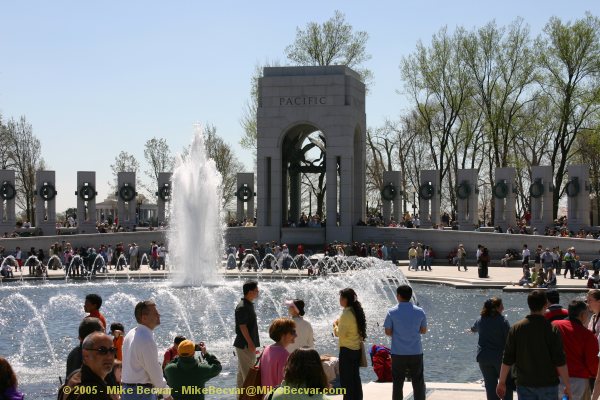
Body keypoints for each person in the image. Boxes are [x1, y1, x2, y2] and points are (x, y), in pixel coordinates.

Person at [496, 290, 571, 400]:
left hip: (524, 384)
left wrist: (501, 382)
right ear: (546, 305)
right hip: (548, 384)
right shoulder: (551, 329)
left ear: (529, 304)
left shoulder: (516, 328)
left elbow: (507, 358)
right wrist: (567, 385)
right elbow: (559, 360)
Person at [121, 300, 172, 400]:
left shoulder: (131, 333)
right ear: (144, 317)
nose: (159, 315)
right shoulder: (145, 339)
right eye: (155, 313)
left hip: (128, 390)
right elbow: (155, 373)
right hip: (141, 393)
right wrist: (167, 396)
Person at [384, 285, 427, 400]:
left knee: (398, 383)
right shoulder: (420, 311)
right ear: (410, 296)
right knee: (418, 382)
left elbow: (388, 332)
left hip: (398, 352)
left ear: (398, 296)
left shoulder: (391, 312)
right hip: (416, 351)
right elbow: (423, 330)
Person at [552, 300, 599, 399]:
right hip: (579, 381)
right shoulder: (588, 335)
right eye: (587, 314)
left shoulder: (554, 325)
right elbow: (593, 363)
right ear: (582, 315)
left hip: (555, 378)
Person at [469, 297, 513, 400]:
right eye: (501, 305)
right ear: (496, 308)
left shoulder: (480, 319)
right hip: (499, 359)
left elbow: (473, 328)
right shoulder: (503, 321)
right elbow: (509, 340)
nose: (503, 307)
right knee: (506, 384)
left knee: (490, 386)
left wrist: (472, 330)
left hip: (483, 357)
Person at [333, 288, 367, 400]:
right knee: (355, 378)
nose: (340, 300)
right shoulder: (355, 311)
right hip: (356, 349)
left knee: (346, 381)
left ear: (346, 299)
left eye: (341, 298)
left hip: (347, 351)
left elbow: (340, 333)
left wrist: (335, 326)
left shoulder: (346, 314)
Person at [67, 332, 116, 400]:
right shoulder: (95, 394)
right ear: (86, 355)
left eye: (112, 350)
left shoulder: (73, 377)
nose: (109, 356)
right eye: (102, 350)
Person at [234, 281, 260, 390]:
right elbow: (242, 326)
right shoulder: (243, 307)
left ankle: (240, 397)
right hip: (245, 345)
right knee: (249, 376)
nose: (258, 292)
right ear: (250, 292)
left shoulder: (248, 304)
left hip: (244, 345)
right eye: (256, 290)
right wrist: (250, 343)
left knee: (242, 375)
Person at [261, 318, 297, 391]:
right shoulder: (284, 354)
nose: (296, 335)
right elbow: (284, 383)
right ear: (283, 334)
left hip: (266, 395)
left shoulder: (266, 349)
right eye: (293, 332)